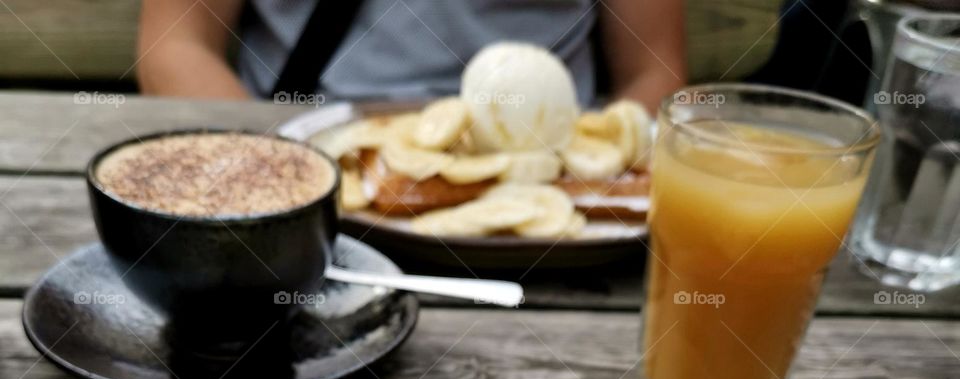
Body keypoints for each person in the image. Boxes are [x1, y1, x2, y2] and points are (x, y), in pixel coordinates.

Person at [136, 0, 686, 113]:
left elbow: (654, 72)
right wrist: (275, 170)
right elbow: (176, 44)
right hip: (299, 192)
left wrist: (592, 172)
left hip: (542, 204)